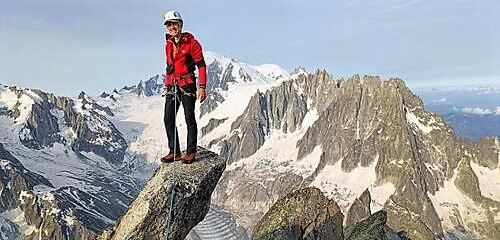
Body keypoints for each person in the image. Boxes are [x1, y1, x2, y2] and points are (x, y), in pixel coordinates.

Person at [161, 10, 207, 164]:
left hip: (187, 84)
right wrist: (167, 85)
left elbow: (201, 65)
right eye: (169, 25)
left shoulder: (192, 43)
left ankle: (191, 152)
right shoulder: (168, 45)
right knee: (168, 118)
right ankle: (174, 152)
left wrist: (202, 87)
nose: (171, 27)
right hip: (173, 85)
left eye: (174, 24)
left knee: (189, 118)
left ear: (180, 24)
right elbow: (169, 66)